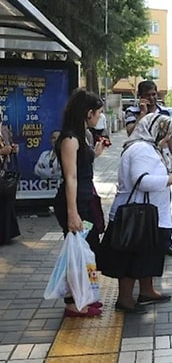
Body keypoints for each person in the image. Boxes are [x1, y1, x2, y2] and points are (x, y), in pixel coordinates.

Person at [99, 113, 172, 314]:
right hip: (139, 216)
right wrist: (171, 179)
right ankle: (125, 300)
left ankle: (147, 291)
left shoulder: (148, 147)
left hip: (148, 215)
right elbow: (141, 180)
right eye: (166, 135)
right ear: (155, 130)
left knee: (145, 256)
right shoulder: (142, 149)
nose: (167, 140)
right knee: (132, 258)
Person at [53, 89, 107, 317]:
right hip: (75, 204)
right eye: (99, 113)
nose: (100, 117)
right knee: (76, 256)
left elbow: (82, 168)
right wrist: (73, 213)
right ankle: (73, 303)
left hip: (85, 201)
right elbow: (70, 177)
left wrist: (96, 153)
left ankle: (85, 296)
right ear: (88, 113)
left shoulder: (81, 135)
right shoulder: (69, 139)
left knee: (87, 251)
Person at [125, 80, 172, 256]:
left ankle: (165, 240)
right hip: (144, 157)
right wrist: (142, 113)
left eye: (154, 94)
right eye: (148, 95)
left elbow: (169, 136)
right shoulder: (132, 112)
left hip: (161, 159)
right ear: (140, 97)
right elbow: (131, 133)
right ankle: (144, 234)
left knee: (164, 198)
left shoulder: (163, 112)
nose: (152, 98)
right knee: (146, 197)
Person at [0, 109, 20, 245]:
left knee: (6, 201)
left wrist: (13, 149)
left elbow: (9, 143)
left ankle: (7, 233)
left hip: (3, 169)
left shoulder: (4, 130)